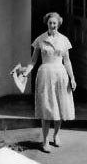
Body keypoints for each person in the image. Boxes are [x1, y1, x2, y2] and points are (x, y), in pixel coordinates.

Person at [27, 12, 76, 152]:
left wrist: (72, 78)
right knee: (47, 107)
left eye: (55, 23)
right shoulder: (40, 39)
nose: (52, 25)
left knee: (59, 107)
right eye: (50, 23)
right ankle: (44, 141)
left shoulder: (64, 40)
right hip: (45, 75)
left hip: (60, 74)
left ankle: (56, 135)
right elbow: (33, 61)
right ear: (47, 24)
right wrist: (25, 72)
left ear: (58, 24)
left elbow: (67, 61)